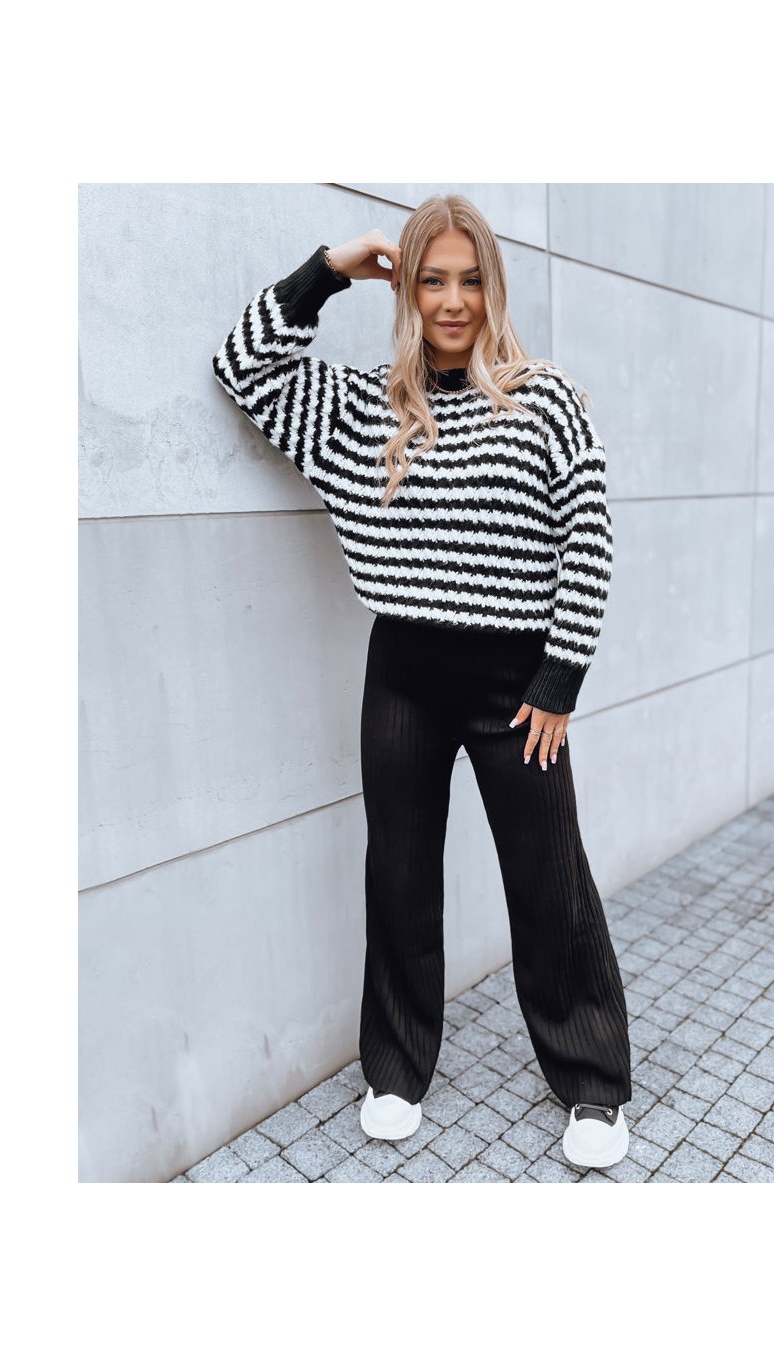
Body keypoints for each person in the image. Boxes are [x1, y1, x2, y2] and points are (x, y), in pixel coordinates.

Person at [212, 195, 632, 1171]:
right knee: (398, 874)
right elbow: (243, 366)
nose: (451, 300)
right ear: (407, 290)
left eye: (469, 279)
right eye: (432, 278)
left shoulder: (544, 398)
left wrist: (560, 677)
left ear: (493, 288)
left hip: (518, 686)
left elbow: (589, 535)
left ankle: (593, 1082)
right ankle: (396, 1068)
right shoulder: (363, 407)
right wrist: (329, 268)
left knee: (549, 879)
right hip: (402, 673)